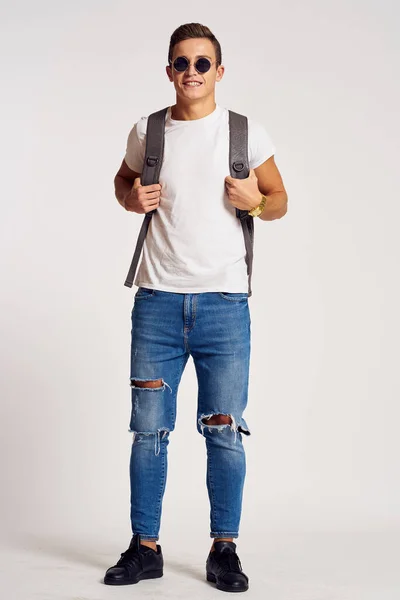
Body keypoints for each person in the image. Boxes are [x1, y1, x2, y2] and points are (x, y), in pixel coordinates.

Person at [104, 22, 288, 593]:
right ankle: (146, 547)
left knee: (224, 431)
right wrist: (130, 197)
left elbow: (280, 199)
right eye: (181, 63)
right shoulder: (148, 129)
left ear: (219, 71)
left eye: (202, 63)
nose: (191, 73)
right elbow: (122, 181)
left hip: (224, 306)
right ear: (169, 71)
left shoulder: (244, 132)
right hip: (157, 303)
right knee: (148, 431)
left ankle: (224, 550)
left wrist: (256, 202)